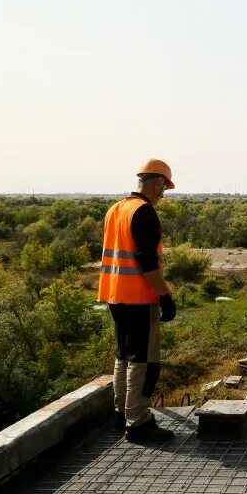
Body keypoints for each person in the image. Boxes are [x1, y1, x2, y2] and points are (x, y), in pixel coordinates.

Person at [99, 159, 178, 443]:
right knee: (144, 360)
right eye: (164, 188)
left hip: (114, 295)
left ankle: (122, 413)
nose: (162, 194)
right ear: (157, 183)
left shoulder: (115, 209)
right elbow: (145, 260)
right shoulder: (144, 212)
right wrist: (164, 294)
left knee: (124, 354)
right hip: (139, 297)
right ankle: (139, 422)